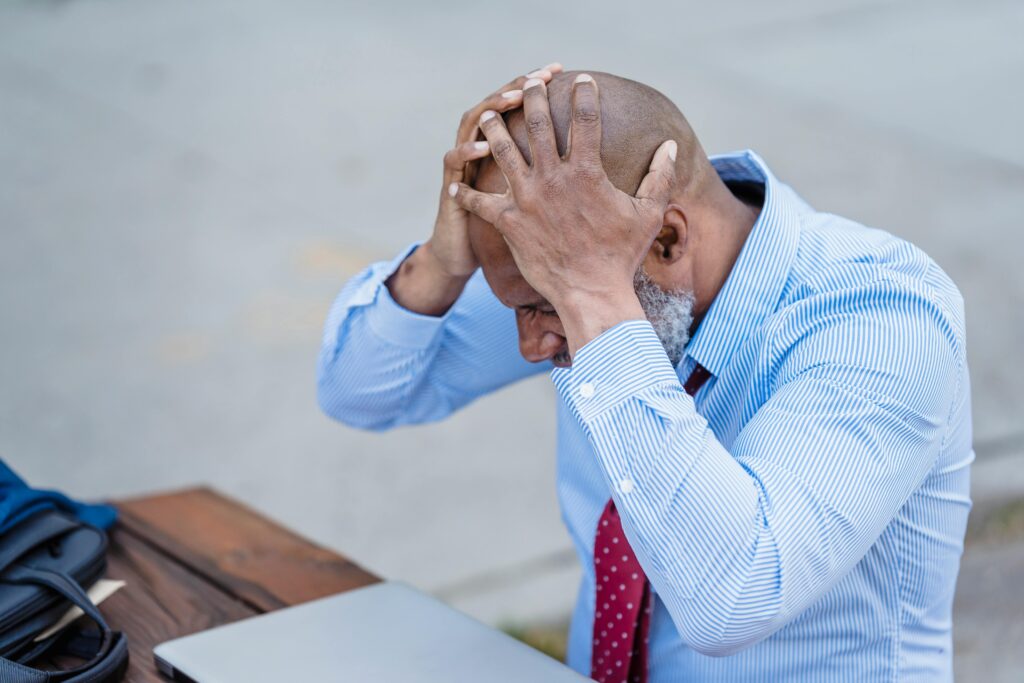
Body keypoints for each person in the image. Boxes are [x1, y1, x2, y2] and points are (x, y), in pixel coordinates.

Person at [317, 64, 972, 682]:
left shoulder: (884, 317)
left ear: (665, 241)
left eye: (548, 305)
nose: (529, 345)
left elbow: (734, 596)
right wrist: (442, 263)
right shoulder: (559, 274)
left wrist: (594, 302)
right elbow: (360, 391)